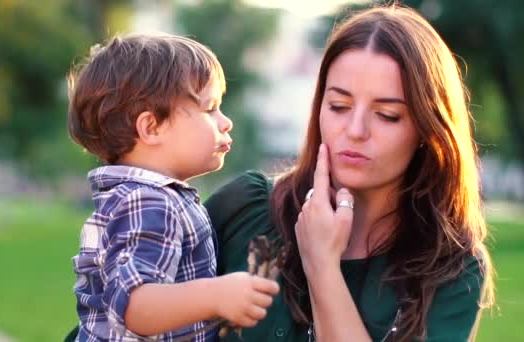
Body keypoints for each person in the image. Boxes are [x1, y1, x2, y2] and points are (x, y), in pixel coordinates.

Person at [205, 5, 495, 342]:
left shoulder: (451, 268)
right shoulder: (245, 209)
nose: (355, 130)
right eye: (339, 106)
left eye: (387, 115)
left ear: (427, 129)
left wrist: (323, 267)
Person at [66, 33, 279, 341]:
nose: (225, 122)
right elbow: (134, 307)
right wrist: (216, 295)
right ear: (152, 127)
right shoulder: (148, 202)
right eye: (210, 109)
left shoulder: (150, 197)